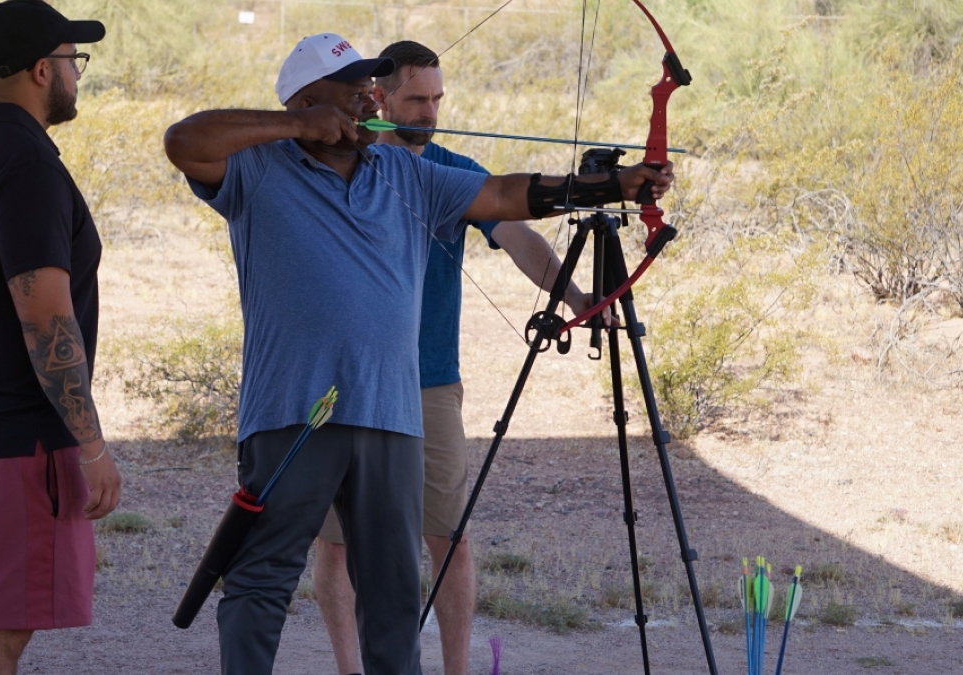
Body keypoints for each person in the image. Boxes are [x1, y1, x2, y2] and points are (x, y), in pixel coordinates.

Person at [163, 32, 670, 675]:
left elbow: (503, 197)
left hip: (392, 413)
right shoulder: (257, 171)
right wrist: (293, 127)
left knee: (396, 590)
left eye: (372, 87)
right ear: (309, 100)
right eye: (354, 89)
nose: (369, 97)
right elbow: (183, 141)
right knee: (261, 579)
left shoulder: (405, 173)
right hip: (294, 409)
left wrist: (609, 186)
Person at [311, 40, 595, 675]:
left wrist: (578, 297)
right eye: (418, 99)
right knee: (334, 545)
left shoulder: (448, 169)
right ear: (377, 99)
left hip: (428, 379)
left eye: (439, 98)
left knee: (450, 535)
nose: (432, 110)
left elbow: (517, 231)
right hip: (344, 381)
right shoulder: (334, 165)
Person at [0, 2, 120, 673]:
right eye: (72, 60)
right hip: (17, 445)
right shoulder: (25, 163)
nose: (76, 74)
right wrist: (90, 445)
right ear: (42, 69)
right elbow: (45, 318)